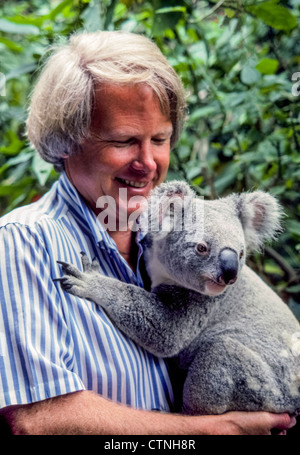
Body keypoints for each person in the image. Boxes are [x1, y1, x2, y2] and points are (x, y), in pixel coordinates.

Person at [0, 30, 296, 435]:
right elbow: (39, 420)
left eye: (160, 139)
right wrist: (215, 431)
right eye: (123, 141)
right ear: (66, 141)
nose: (147, 163)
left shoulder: (174, 236)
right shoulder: (24, 242)